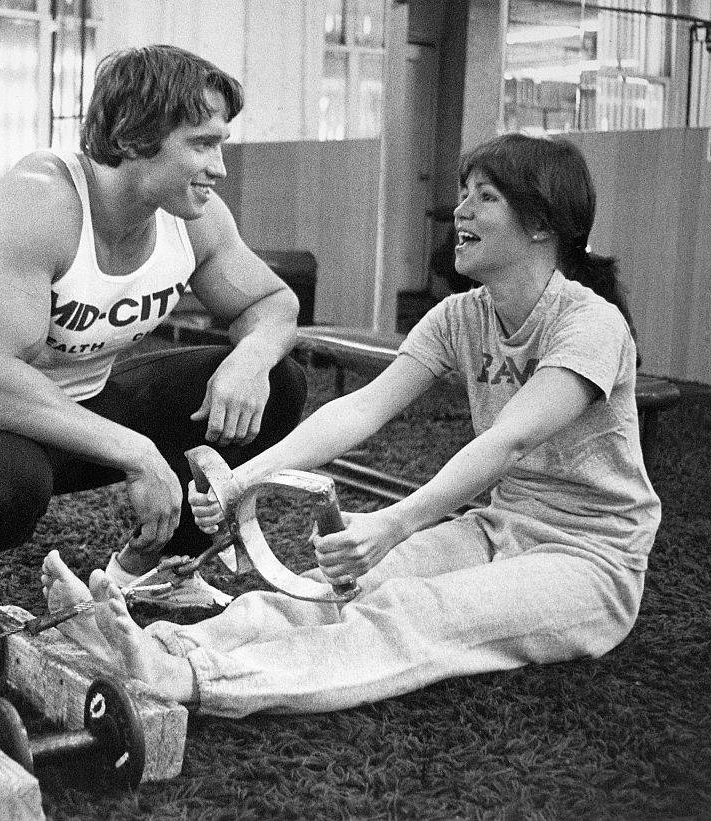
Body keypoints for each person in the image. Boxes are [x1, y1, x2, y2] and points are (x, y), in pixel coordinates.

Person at [40, 133, 661, 717]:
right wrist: (241, 481)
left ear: (541, 226)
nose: (460, 212)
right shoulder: (461, 315)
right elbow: (360, 409)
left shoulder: (591, 324)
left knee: (414, 610)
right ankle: (162, 647)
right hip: (498, 528)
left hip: (591, 560)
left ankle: (197, 679)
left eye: (485, 198)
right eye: (463, 193)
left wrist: (395, 521)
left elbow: (511, 439)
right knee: (327, 590)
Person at [0, 45, 307, 639]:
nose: (219, 166)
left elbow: (273, 305)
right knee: (5, 481)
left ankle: (156, 568)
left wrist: (249, 360)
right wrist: (138, 452)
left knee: (278, 383)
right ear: (135, 135)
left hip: (92, 403)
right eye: (200, 143)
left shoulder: (196, 216)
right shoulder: (39, 202)